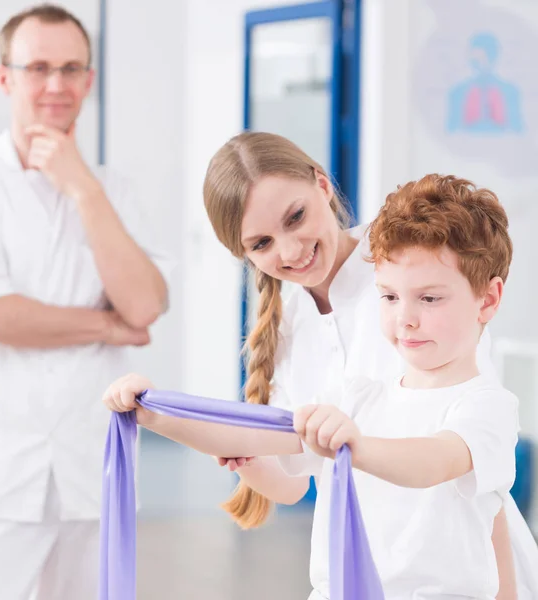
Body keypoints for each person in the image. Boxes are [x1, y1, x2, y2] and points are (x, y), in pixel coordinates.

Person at [104, 132, 538, 597]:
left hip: (461, 566)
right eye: (263, 242)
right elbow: (290, 465)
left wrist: (354, 445)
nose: (291, 252)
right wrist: (151, 414)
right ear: (243, 254)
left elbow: (450, 461)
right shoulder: (299, 335)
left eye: (296, 217)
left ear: (322, 185)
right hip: (362, 569)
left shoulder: (406, 261)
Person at [0, 4, 171, 599]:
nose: (55, 85)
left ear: (89, 81)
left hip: (92, 463)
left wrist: (82, 188)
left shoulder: (112, 189)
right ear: (5, 77)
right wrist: (107, 326)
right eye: (38, 67)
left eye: (71, 69)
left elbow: (143, 306)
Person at [286, 173, 518, 599]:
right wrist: (151, 411)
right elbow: (254, 434)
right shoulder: (358, 396)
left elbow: (434, 461)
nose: (404, 318)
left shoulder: (487, 406)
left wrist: (354, 445)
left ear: (487, 299)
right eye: (390, 297)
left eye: (428, 299)